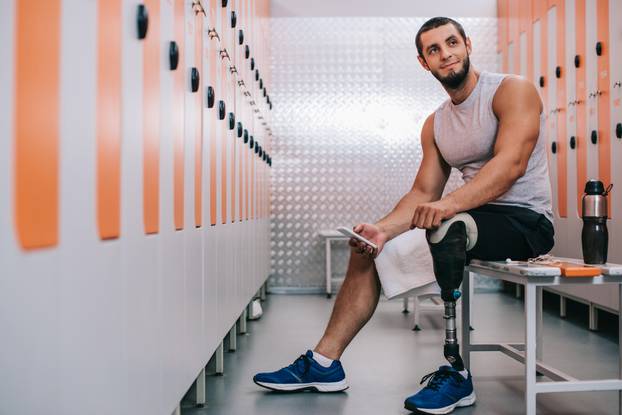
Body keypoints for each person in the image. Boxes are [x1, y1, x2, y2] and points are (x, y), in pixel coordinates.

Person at [253, 16, 554, 414]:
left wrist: (447, 206)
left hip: (525, 220)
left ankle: (455, 371)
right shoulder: (437, 123)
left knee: (449, 228)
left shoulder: (511, 91)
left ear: (467, 44)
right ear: (423, 62)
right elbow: (422, 193)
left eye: (451, 43)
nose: (446, 54)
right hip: (470, 218)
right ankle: (324, 364)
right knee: (368, 248)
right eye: (434, 49)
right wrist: (381, 230)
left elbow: (511, 164)